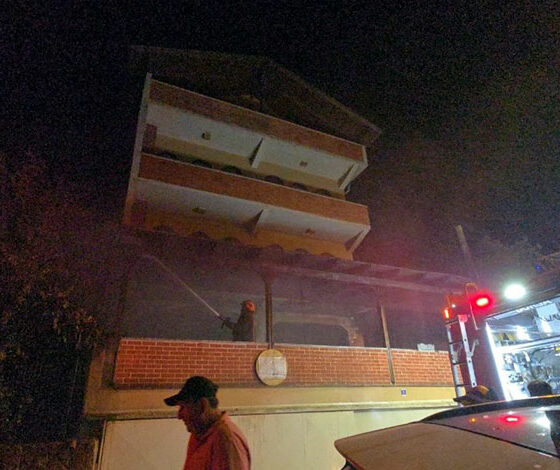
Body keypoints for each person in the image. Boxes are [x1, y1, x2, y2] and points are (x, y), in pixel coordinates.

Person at [164, 376, 251, 470]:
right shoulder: (199, 433)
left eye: (183, 407)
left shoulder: (225, 439)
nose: (179, 415)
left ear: (202, 405)